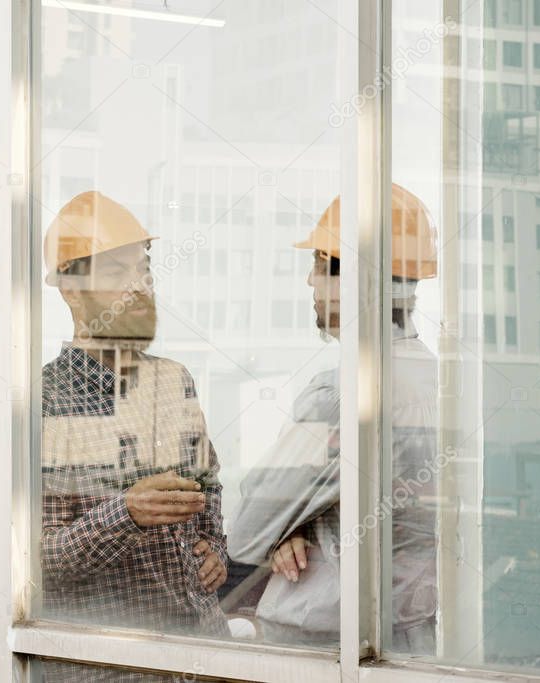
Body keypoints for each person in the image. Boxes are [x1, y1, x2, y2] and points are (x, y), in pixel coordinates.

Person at [227, 184, 439, 653]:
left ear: (353, 278)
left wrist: (282, 527)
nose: (309, 282)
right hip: (411, 633)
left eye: (319, 267)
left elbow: (249, 530)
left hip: (324, 639)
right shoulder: (435, 378)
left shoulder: (338, 392)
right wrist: (296, 523)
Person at [40, 191, 230, 650]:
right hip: (116, 665)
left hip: (203, 652)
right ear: (70, 288)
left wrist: (215, 551)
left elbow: (209, 490)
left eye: (141, 267)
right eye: (114, 271)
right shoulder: (45, 398)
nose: (138, 284)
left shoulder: (173, 380)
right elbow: (37, 560)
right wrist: (126, 513)